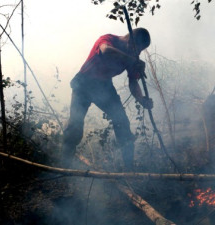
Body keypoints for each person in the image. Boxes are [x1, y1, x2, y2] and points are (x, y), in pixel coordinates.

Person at [61, 28, 153, 170]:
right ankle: (64, 167)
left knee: (122, 122)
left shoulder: (132, 54)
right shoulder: (109, 39)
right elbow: (105, 50)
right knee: (75, 126)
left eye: (141, 50)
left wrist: (141, 99)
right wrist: (132, 60)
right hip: (83, 85)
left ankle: (129, 169)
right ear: (130, 40)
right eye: (137, 48)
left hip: (104, 87)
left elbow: (133, 82)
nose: (138, 53)